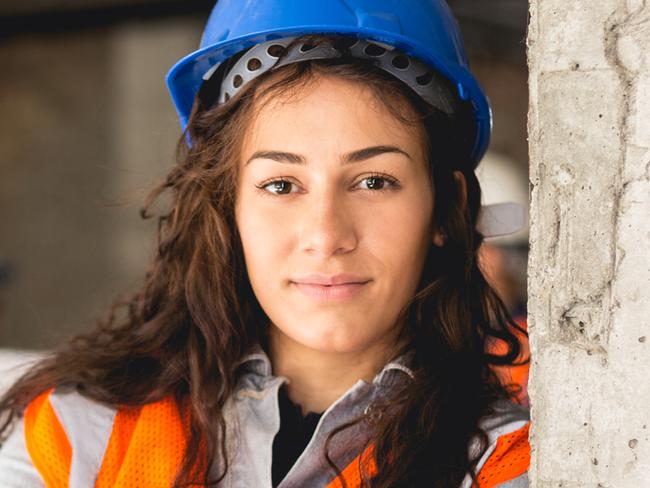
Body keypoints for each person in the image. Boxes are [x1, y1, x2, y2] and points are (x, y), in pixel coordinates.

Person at [0, 1, 531, 486]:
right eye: (281, 185)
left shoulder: (513, 461)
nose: (326, 236)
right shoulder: (78, 436)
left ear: (446, 207)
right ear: (226, 208)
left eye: (374, 181)